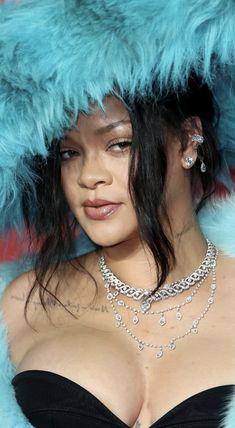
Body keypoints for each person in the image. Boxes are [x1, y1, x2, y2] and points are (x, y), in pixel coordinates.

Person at [0, 1, 235, 428]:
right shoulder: (17, 303)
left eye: (119, 144)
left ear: (189, 140)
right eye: (70, 153)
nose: (88, 176)